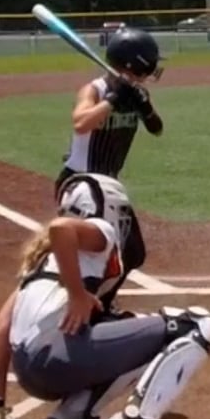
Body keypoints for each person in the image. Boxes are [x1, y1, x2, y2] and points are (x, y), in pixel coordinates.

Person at [0, 172, 210, 419]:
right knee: (196, 325)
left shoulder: (41, 261)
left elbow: (3, 327)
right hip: (53, 361)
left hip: (30, 371)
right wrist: (77, 293)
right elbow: (60, 228)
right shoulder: (101, 230)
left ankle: (75, 414)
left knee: (124, 324)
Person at [58, 26, 164, 315]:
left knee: (133, 253)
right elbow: (81, 123)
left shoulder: (136, 93)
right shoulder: (95, 90)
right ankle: (80, 310)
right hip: (82, 184)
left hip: (108, 187)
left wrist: (144, 106)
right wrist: (112, 100)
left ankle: (99, 304)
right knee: (96, 256)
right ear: (134, 64)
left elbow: (156, 129)